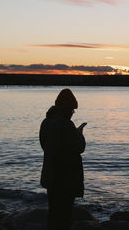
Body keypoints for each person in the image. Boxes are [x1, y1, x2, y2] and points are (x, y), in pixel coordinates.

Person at [39, 89, 86, 230]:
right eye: (72, 110)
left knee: (53, 213)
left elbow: (45, 145)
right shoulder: (65, 124)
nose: (72, 113)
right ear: (66, 108)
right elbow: (80, 147)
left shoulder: (46, 123)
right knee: (65, 216)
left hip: (51, 176)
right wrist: (79, 134)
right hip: (66, 178)